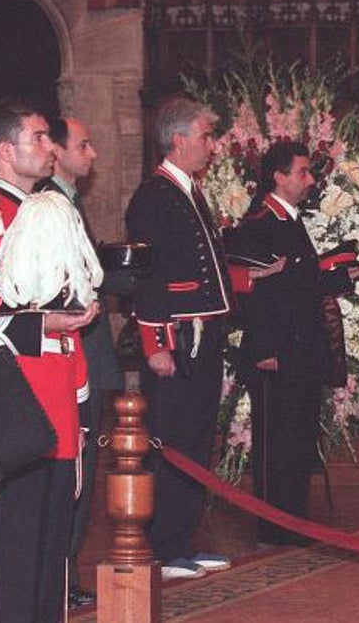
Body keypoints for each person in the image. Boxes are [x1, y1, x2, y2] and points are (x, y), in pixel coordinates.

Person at [0, 98, 99, 623]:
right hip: (14, 414)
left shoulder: (48, 210)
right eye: (39, 138)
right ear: (6, 151)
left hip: (59, 404)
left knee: (50, 555)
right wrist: (44, 325)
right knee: (9, 558)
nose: (51, 147)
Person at [225, 141, 359, 546]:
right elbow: (256, 294)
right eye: (303, 172)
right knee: (276, 442)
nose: (309, 180)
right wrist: (266, 350)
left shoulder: (289, 220)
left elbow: (301, 285)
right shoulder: (260, 223)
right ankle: (273, 526)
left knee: (298, 437)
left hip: (301, 348)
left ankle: (294, 521)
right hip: (276, 351)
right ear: (279, 176)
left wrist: (347, 276)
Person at [125, 97, 234, 581]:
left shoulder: (189, 190)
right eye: (205, 136)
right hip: (176, 339)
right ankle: (164, 546)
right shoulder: (154, 195)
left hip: (203, 335)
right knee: (172, 441)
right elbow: (146, 280)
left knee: (195, 440)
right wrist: (156, 344)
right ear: (178, 139)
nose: (212, 146)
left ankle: (183, 539)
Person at [40, 116, 124, 609]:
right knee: (70, 476)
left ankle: (66, 573)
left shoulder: (69, 202)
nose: (92, 154)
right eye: (84, 145)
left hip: (89, 359)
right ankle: (58, 576)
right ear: (57, 152)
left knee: (82, 475)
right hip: (70, 362)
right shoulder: (48, 208)